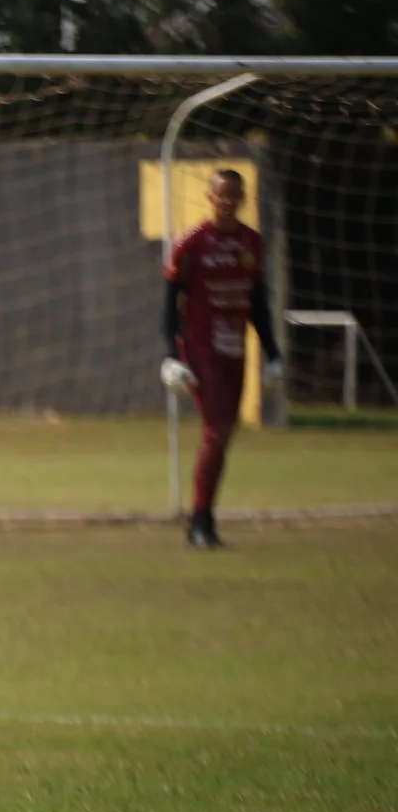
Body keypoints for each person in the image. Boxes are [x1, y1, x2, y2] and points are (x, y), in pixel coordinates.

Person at [161, 168, 282, 549]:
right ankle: (200, 523)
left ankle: (205, 520)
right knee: (218, 430)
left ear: (243, 199)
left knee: (224, 434)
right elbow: (169, 304)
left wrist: (273, 354)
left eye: (235, 195)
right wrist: (170, 356)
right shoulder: (192, 244)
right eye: (221, 194)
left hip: (236, 350)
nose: (227, 201)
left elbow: (258, 304)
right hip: (200, 350)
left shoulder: (251, 243)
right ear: (209, 198)